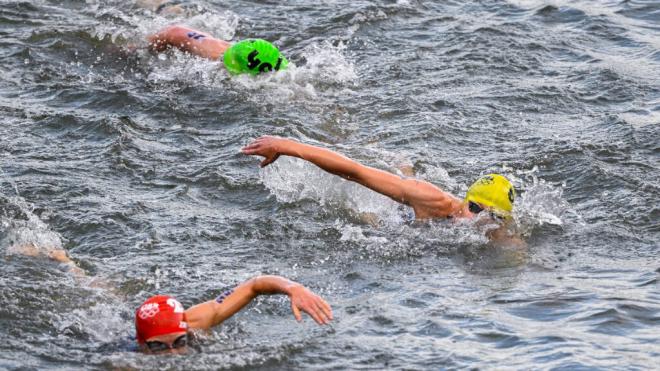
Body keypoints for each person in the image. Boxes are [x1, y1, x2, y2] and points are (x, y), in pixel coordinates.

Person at [15, 244, 333, 354]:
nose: (172, 355)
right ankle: (64, 263)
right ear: (142, 345)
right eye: (158, 347)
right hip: (108, 334)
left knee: (109, 293)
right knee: (97, 298)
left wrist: (292, 288)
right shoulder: (125, 361)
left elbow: (254, 285)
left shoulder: (194, 322)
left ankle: (66, 260)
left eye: (179, 343)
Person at [241, 136, 523, 244]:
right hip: (401, 215)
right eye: (473, 208)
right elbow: (354, 172)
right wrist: (288, 147)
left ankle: (402, 168)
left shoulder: (495, 231)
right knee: (371, 216)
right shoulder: (435, 201)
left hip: (420, 228)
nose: (477, 220)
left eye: (493, 216)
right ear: (467, 200)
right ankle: (392, 159)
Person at [147, 25, 288, 75]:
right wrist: (143, 50)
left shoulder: (285, 77)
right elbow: (174, 31)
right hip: (169, 28)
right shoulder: (215, 52)